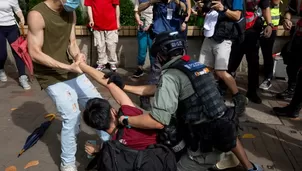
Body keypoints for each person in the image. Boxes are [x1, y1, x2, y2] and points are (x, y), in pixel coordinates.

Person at [108, 31, 263, 171]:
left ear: (162, 55)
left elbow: (157, 122)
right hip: (226, 130)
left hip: (205, 145)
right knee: (220, 120)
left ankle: (210, 161)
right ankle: (250, 167)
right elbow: (157, 89)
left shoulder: (170, 76)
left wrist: (125, 120)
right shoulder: (194, 66)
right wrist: (123, 86)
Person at [27, 0, 107, 170]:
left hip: (71, 69)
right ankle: (67, 163)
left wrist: (78, 57)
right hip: (50, 75)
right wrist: (67, 66)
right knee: (72, 115)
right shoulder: (37, 15)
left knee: (99, 104)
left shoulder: (71, 12)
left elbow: (71, 43)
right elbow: (34, 52)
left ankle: (110, 147)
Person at [78, 62, 157, 154]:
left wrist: (97, 151)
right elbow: (109, 84)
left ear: (96, 127)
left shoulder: (112, 148)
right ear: (113, 111)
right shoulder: (130, 115)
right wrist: (82, 65)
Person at [197, 0, 247, 115]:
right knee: (204, 69)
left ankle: (239, 98)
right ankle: (209, 97)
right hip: (210, 35)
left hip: (225, 37)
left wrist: (223, 9)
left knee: (220, 72)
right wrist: (201, 8)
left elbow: (237, 15)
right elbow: (203, 13)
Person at [136, 0, 188, 110]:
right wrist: (153, 1)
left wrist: (176, 1)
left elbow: (185, 9)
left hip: (174, 37)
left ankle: (175, 97)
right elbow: (139, 8)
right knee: (156, 70)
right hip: (160, 37)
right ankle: (145, 96)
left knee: (178, 69)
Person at [228, 0, 273, 104]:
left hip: (253, 32)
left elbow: (266, 8)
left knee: (254, 64)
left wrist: (269, 24)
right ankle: (224, 88)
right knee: (231, 62)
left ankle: (252, 92)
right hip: (237, 31)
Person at [0, 0, 31, 90]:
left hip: (12, 27)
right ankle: (1, 69)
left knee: (18, 52)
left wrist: (21, 17)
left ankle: (22, 76)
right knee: (2, 54)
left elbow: (17, 10)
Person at [275, 0, 302, 100]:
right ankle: (291, 90)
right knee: (290, 60)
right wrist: (286, 20)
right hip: (297, 36)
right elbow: (289, 10)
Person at [84, 0, 120, 71]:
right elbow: (89, 6)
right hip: (97, 25)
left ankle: (112, 62)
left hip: (111, 23)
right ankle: (101, 63)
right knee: (100, 46)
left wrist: (117, 21)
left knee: (111, 45)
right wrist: (91, 20)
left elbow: (117, 6)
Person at [259, 0, 281, 90]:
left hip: (270, 26)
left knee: (267, 54)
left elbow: (276, 2)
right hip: (255, 24)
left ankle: (268, 79)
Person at [132, 0, 154, 78]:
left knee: (153, 50)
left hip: (153, 29)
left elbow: (159, 15)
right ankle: (140, 69)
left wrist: (151, 25)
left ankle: (153, 69)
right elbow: (136, 12)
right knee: (142, 49)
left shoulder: (157, 1)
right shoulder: (139, 0)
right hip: (142, 28)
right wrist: (139, 21)